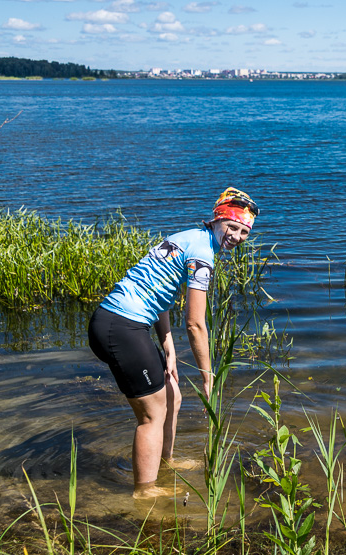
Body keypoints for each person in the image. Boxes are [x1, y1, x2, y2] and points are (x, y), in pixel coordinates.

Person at [88, 187, 258, 498]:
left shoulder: (189, 237)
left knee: (173, 395)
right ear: (217, 220)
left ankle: (165, 463)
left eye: (244, 231)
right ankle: (144, 490)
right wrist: (208, 377)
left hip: (118, 323)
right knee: (152, 414)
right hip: (122, 327)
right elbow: (195, 324)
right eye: (232, 227)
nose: (236, 236)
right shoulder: (203, 254)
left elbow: (160, 291)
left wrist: (168, 345)